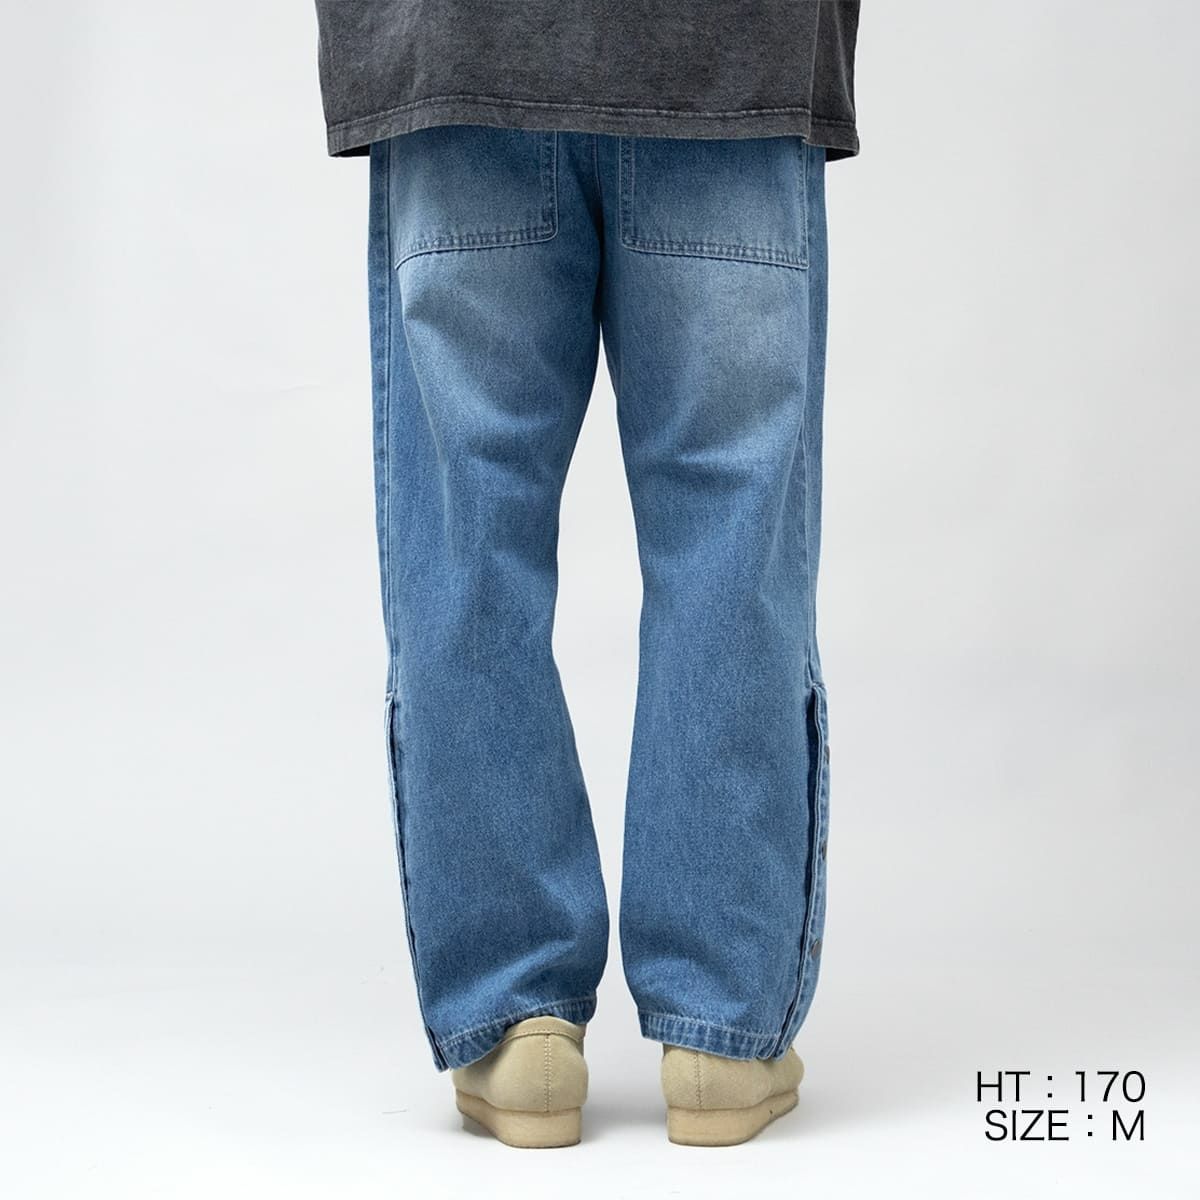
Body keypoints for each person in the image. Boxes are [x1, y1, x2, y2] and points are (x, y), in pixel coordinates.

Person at [313, 0, 859, 1148]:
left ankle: (518, 1029)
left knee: (467, 539)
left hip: (457, 46)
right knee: (730, 533)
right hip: (731, 50)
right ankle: (721, 1033)